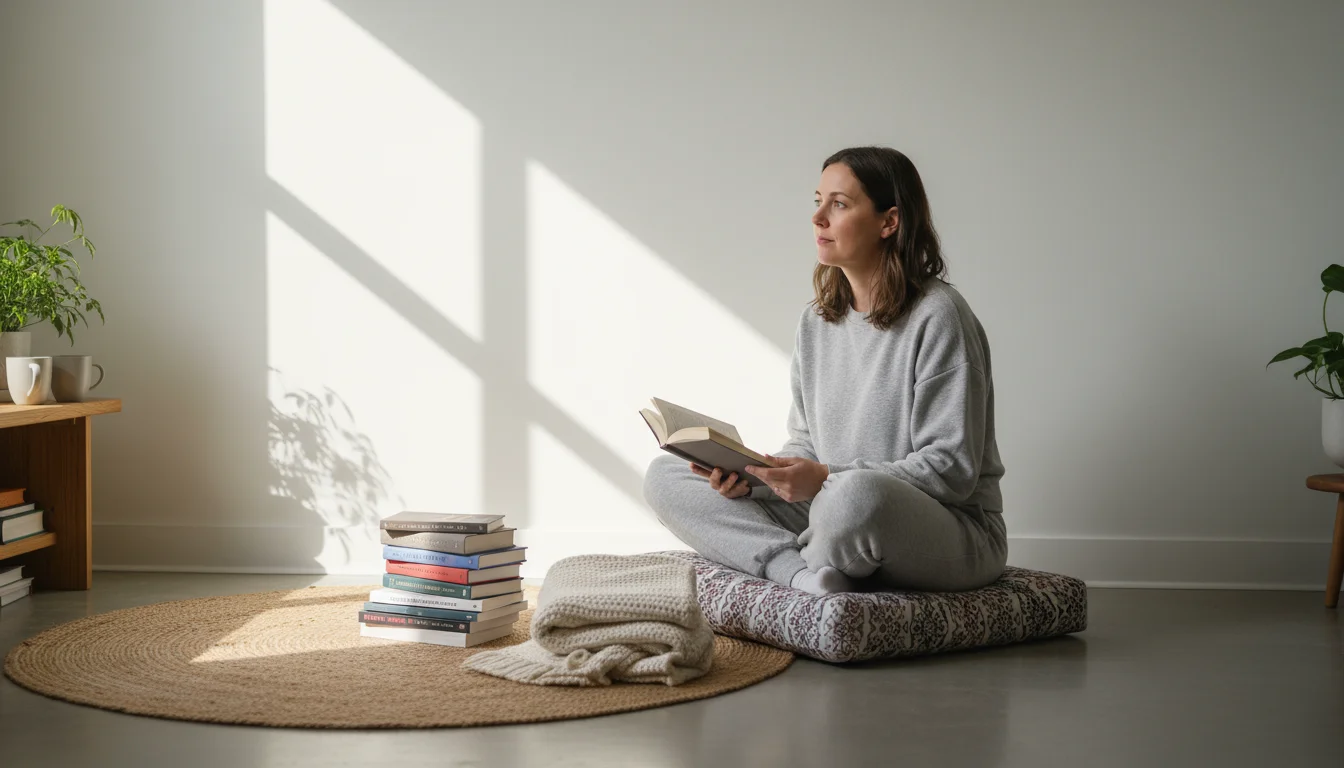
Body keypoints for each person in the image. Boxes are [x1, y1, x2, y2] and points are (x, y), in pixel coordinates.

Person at [642, 146, 1007, 596]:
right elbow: (806, 443)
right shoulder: (817, 320)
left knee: (854, 499)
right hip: (830, 507)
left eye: (839, 204)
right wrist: (757, 479)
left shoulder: (940, 316)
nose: (818, 218)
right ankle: (803, 575)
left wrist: (826, 478)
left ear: (888, 221)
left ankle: (802, 561)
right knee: (666, 477)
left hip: (947, 528)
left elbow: (950, 470)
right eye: (818, 201)